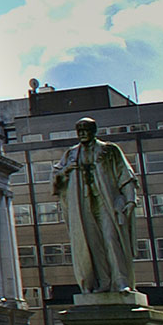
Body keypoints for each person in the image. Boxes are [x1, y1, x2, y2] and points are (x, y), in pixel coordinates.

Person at [53, 116, 140, 293]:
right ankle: (104, 282)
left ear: (94, 131)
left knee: (111, 238)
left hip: (106, 199)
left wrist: (130, 199)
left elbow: (125, 175)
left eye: (86, 130)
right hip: (83, 202)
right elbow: (56, 178)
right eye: (80, 131)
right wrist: (66, 170)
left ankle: (121, 281)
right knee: (92, 244)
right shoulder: (71, 154)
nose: (83, 134)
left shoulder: (109, 150)